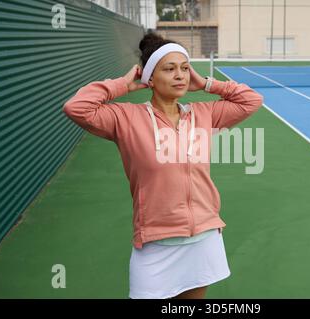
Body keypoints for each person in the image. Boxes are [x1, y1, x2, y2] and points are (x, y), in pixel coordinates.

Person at [63, 32, 264, 299]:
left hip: (203, 237)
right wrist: (121, 85)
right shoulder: (125, 118)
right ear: (149, 78)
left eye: (184, 68)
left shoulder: (204, 114)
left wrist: (206, 83)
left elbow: (251, 100)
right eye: (169, 69)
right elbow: (76, 107)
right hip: (155, 243)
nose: (180, 75)